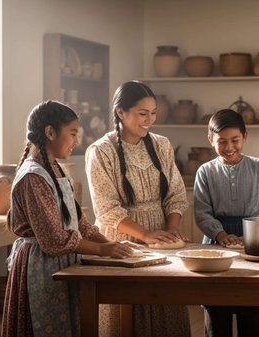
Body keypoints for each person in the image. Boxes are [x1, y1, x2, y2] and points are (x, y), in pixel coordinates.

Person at [2, 101, 135, 337]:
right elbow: (53, 240)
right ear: (50, 132)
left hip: (63, 264)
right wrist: (103, 252)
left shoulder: (57, 169)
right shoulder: (33, 177)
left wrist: (110, 244)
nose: (76, 141)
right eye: (73, 134)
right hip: (40, 267)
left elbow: (80, 223)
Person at [85, 80, 190, 337]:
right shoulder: (101, 151)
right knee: (127, 315)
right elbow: (106, 208)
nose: (150, 119)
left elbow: (176, 192)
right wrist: (144, 235)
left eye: (153, 113)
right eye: (143, 113)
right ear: (121, 112)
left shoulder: (161, 144)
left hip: (160, 237)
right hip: (121, 240)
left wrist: (172, 231)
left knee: (165, 308)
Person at [194, 109, 259, 337]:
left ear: (245, 137)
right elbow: (202, 213)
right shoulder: (205, 172)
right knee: (216, 311)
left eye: (235, 140)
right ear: (211, 140)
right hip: (215, 244)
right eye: (221, 141)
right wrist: (220, 235)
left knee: (252, 309)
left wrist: (251, 234)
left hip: (254, 241)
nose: (229, 147)